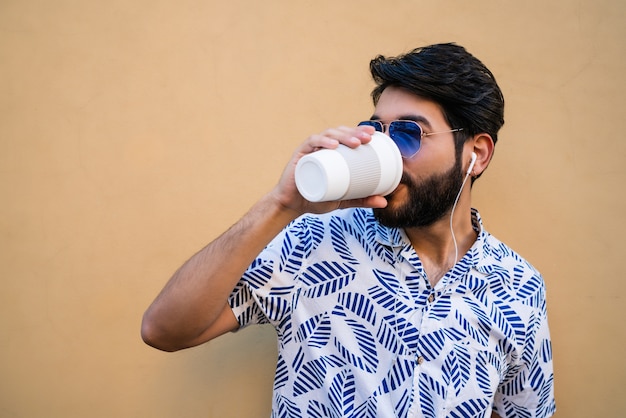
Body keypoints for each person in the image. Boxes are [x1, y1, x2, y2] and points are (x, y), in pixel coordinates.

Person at [141, 43, 556, 418]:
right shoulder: (314, 241)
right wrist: (282, 203)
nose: (387, 150)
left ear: (476, 154)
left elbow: (519, 411)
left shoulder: (519, 286)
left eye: (410, 133)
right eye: (377, 131)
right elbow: (164, 331)